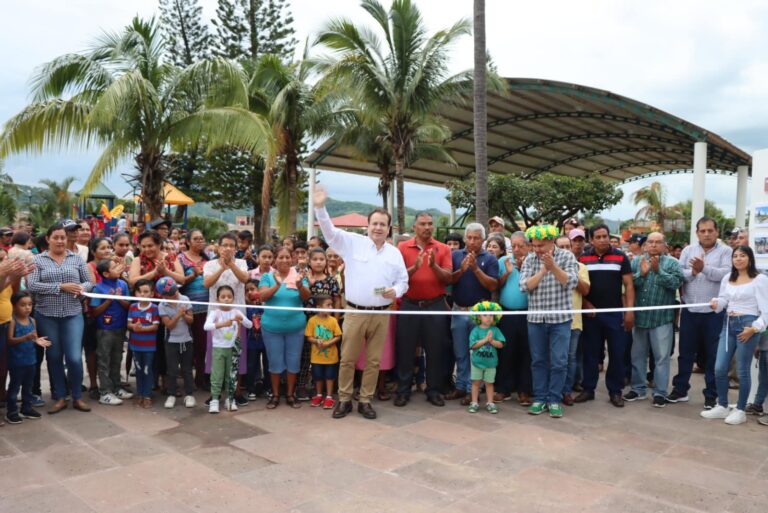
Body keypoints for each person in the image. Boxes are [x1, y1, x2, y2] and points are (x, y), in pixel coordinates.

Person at [313, 184, 408, 420]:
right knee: (347, 359)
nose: (378, 227)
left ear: (389, 228)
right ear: (368, 226)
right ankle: (344, 399)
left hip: (382, 314)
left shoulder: (394, 253)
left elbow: (403, 281)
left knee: (373, 361)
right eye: (374, 223)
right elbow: (330, 233)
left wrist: (394, 291)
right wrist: (320, 208)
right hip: (354, 313)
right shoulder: (352, 242)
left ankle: (365, 400)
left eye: (382, 224)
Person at [27, 223, 94, 414]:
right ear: (48, 239)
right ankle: (59, 397)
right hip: (47, 315)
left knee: (73, 357)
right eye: (55, 237)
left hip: (73, 314)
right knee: (54, 357)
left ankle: (77, 397)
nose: (59, 241)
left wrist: (82, 288)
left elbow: (89, 282)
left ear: (67, 239)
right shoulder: (38, 260)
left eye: (63, 237)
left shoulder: (77, 259)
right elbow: (32, 285)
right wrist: (60, 287)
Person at [668, 217, 732, 408]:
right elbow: (679, 274)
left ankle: (711, 396)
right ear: (697, 233)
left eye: (710, 230)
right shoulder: (688, 251)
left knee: (713, 356)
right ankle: (680, 390)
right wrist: (693, 273)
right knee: (685, 353)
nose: (706, 234)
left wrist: (704, 269)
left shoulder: (726, 252)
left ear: (717, 232)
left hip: (714, 313)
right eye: (702, 231)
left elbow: (726, 275)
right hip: (690, 310)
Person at [701, 246, 768, 425]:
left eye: (742, 256)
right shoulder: (728, 278)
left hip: (748, 325)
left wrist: (754, 329)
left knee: (742, 371)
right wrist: (717, 303)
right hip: (728, 324)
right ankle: (722, 405)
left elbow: (766, 311)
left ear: (750, 258)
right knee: (719, 368)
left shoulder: (760, 279)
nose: (738, 259)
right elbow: (724, 300)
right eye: (735, 256)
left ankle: (740, 410)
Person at [519, 226, 579, 418]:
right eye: (534, 245)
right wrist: (544, 270)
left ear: (552, 242)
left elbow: (571, 283)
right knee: (538, 361)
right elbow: (524, 286)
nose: (537, 249)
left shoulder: (567, 257)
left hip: (560, 320)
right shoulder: (530, 259)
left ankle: (554, 400)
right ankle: (539, 399)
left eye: (541, 245)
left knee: (560, 361)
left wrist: (553, 267)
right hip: (536, 319)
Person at [394, 212, 452, 408]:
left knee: (436, 350)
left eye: (430, 224)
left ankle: (433, 390)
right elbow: (397, 278)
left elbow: (448, 278)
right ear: (414, 227)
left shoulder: (442, 248)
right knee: (405, 349)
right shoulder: (402, 248)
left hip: (435, 305)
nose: (427, 227)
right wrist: (414, 268)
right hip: (409, 304)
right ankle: (403, 390)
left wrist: (433, 266)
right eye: (423, 224)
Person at [576, 223, 635, 408]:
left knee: (617, 353)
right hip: (591, 315)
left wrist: (629, 311)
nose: (603, 240)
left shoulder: (620, 257)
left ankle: (615, 391)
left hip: (615, 313)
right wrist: (586, 304)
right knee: (591, 354)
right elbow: (578, 286)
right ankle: (588, 389)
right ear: (591, 240)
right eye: (598, 237)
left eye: (605, 236)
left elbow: (629, 285)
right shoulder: (583, 259)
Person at [623, 232, 684, 407]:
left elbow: (676, 284)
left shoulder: (672, 263)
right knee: (637, 356)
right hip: (640, 318)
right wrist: (641, 275)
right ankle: (638, 389)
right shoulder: (636, 262)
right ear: (645, 245)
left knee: (661, 358)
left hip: (661, 319)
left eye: (658, 242)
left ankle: (660, 392)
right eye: (650, 242)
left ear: (665, 246)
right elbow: (629, 286)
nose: (654, 245)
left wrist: (659, 271)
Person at [447, 224, 499, 405]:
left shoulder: (490, 259)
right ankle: (460, 386)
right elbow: (449, 281)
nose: (472, 241)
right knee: (460, 351)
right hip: (458, 310)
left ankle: (473, 389)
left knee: (476, 353)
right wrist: (461, 269)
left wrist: (476, 269)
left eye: (476, 238)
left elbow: (493, 285)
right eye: (469, 237)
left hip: (479, 315)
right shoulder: (455, 256)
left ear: (483, 240)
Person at [258, 246, 311, 409]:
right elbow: (262, 296)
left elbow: (306, 297)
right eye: (281, 257)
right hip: (271, 328)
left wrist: (300, 285)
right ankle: (275, 395)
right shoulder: (267, 276)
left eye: (287, 257)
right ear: (275, 259)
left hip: (295, 328)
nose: (284, 260)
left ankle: (290, 394)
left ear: (293, 259)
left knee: (293, 361)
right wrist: (277, 285)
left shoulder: (299, 276)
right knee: (274, 362)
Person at [203, 233, 252, 406]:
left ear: (236, 248)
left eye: (232, 245)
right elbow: (207, 283)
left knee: (236, 354)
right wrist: (222, 268)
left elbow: (245, 279)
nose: (228, 248)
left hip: (237, 316)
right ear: (218, 247)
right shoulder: (209, 264)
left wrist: (231, 264)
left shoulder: (242, 263)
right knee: (216, 354)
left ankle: (236, 391)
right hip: (216, 316)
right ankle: (215, 393)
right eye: (225, 245)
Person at [493, 231, 531, 405]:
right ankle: (503, 389)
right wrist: (508, 272)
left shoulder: (533, 262)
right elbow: (496, 285)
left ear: (528, 246)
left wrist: (523, 269)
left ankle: (524, 391)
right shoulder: (503, 261)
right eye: (513, 246)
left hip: (528, 313)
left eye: (520, 246)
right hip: (507, 313)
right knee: (506, 351)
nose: (517, 250)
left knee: (526, 352)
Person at [204, 285, 253, 413]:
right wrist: (222, 324)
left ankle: (230, 399)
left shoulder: (236, 311)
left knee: (230, 376)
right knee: (217, 375)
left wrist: (241, 318)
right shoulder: (215, 312)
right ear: (217, 299)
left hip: (232, 349)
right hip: (218, 349)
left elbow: (249, 324)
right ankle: (214, 400)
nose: (226, 299)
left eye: (229, 297)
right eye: (223, 297)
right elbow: (206, 326)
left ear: (233, 298)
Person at [89, 259, 132, 405]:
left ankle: (117, 387)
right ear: (106, 274)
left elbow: (128, 305)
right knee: (104, 360)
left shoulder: (123, 284)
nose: (119, 268)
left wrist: (119, 299)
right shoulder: (98, 288)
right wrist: (108, 301)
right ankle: (105, 392)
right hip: (105, 330)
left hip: (120, 327)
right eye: (114, 267)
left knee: (117, 358)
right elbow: (94, 312)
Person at [4, 292, 51, 424]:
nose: (27, 308)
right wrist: (25, 338)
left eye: (30, 305)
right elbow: (10, 341)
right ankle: (12, 411)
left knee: (28, 386)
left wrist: (37, 340)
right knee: (15, 386)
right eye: (23, 305)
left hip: (31, 360)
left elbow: (34, 337)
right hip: (17, 361)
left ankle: (26, 408)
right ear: (14, 307)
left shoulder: (33, 320)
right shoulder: (13, 321)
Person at [554, 235, 590, 406]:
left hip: (573, 321)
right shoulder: (549, 266)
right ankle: (552, 391)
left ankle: (566, 391)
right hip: (553, 320)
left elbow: (585, 290)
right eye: (562, 247)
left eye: (568, 246)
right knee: (553, 358)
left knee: (570, 358)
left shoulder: (580, 267)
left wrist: (572, 274)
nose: (566, 250)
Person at [177, 229, 210, 390]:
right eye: (196, 239)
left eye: (202, 238)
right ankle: (187, 379)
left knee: (203, 345)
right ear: (188, 241)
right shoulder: (181, 259)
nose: (200, 241)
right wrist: (193, 275)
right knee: (187, 346)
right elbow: (177, 283)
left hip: (206, 309)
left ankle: (201, 378)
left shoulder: (208, 259)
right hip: (187, 309)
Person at [157, 277, 195, 409]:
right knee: (172, 370)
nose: (176, 295)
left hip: (187, 340)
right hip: (171, 341)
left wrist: (185, 315)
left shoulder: (185, 299)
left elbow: (191, 320)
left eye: (176, 291)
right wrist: (179, 314)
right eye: (172, 294)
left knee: (187, 369)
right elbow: (169, 325)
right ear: (164, 296)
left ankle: (189, 394)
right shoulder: (162, 305)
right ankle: (171, 394)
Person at [466, 301, 505, 414]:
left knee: (489, 383)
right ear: (478, 316)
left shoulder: (496, 330)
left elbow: (501, 344)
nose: (488, 317)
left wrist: (492, 341)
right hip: (476, 363)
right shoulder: (475, 331)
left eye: (491, 315)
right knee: (476, 383)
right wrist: (485, 340)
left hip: (491, 364)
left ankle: (490, 402)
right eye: (485, 315)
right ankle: (474, 402)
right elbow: (473, 346)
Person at [305, 295, 342, 409]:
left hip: (331, 357)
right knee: (318, 376)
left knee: (330, 376)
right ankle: (319, 395)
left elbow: (338, 336)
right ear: (318, 307)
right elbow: (308, 337)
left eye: (331, 305)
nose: (331, 307)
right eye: (328, 305)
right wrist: (316, 341)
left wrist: (329, 343)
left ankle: (329, 397)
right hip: (316, 357)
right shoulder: (312, 321)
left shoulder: (333, 321)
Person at [127, 279, 160, 408]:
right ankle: (139, 394)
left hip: (149, 346)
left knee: (147, 370)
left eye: (146, 292)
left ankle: (147, 395)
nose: (142, 294)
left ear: (152, 294)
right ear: (135, 293)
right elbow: (129, 324)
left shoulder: (154, 308)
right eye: (139, 292)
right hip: (135, 345)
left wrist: (143, 329)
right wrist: (134, 326)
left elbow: (155, 326)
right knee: (139, 370)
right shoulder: (133, 307)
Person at [244, 279, 269, 399]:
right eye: (247, 290)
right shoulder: (245, 306)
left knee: (268, 364)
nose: (250, 292)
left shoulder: (266, 304)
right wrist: (249, 303)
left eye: (252, 289)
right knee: (251, 365)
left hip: (266, 341)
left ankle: (268, 388)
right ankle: (251, 389)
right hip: (251, 342)